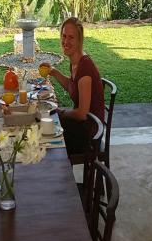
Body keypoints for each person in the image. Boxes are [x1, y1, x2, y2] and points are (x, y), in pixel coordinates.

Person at [40, 17, 105, 155]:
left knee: (47, 133)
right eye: (64, 36)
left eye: (71, 37)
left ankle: (57, 173)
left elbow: (82, 114)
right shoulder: (75, 61)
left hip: (89, 132)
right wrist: (54, 72)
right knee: (45, 124)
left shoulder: (85, 68)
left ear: (79, 40)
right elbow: (72, 88)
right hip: (82, 125)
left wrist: (61, 112)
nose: (66, 41)